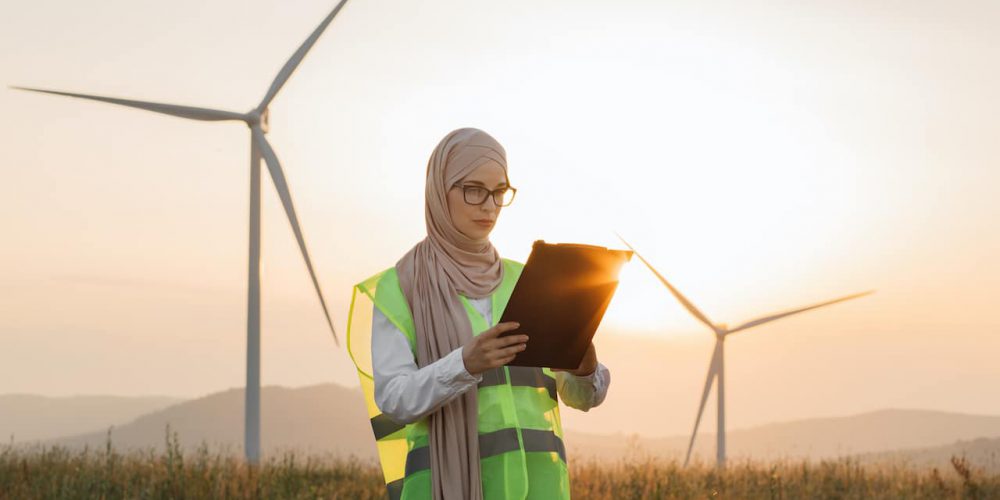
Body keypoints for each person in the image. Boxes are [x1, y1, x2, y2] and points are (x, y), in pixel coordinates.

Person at [346, 128, 610, 500]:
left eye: (499, 192)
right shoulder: (399, 288)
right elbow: (394, 399)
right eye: (474, 190)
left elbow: (581, 398)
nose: (489, 205)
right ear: (440, 190)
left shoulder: (530, 279)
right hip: (442, 488)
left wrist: (584, 365)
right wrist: (464, 363)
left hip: (540, 488)